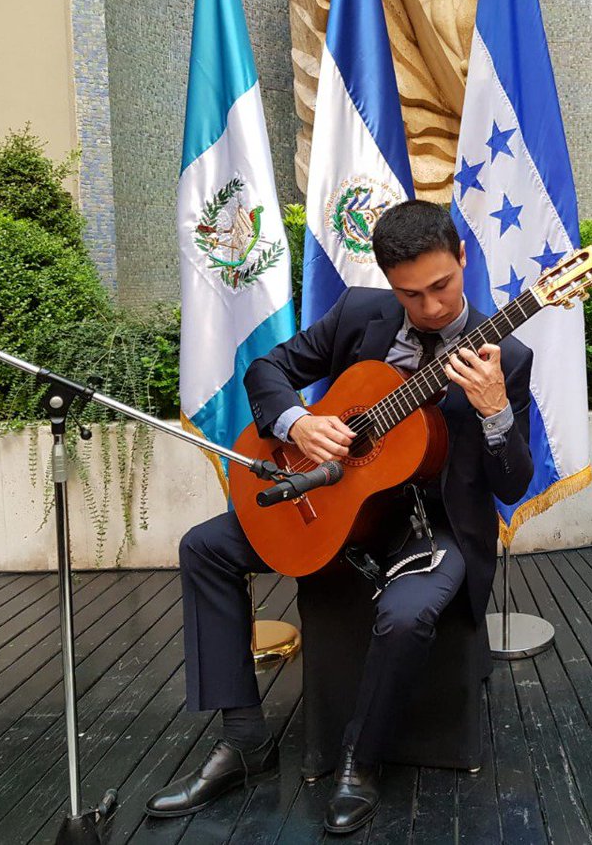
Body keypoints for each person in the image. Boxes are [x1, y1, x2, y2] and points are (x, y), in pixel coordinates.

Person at [145, 199, 534, 835]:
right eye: (411, 294)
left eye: (441, 285)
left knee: (406, 615)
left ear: (463, 257)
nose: (431, 307)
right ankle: (243, 738)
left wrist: (495, 411)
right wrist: (298, 422)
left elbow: (512, 484)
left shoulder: (505, 358)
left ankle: (361, 757)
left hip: (433, 526)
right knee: (205, 547)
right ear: (388, 282)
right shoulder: (358, 313)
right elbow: (267, 369)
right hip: (337, 500)